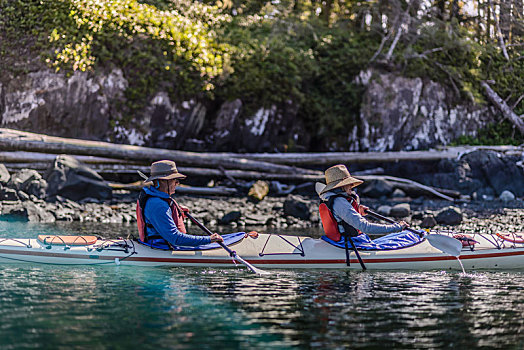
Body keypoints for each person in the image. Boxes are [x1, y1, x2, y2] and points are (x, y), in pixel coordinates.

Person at [136, 160, 223, 248]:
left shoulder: (159, 201)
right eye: (174, 180)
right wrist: (209, 239)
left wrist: (176, 212)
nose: (177, 183)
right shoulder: (157, 205)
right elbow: (175, 238)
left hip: (167, 245)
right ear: (161, 181)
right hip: (161, 248)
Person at [319, 164, 408, 239]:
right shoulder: (340, 202)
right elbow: (366, 227)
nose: (351, 185)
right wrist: (397, 228)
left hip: (342, 242)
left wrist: (357, 211)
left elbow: (340, 217)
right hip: (348, 244)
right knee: (404, 236)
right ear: (342, 186)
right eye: (348, 183)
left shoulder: (332, 198)